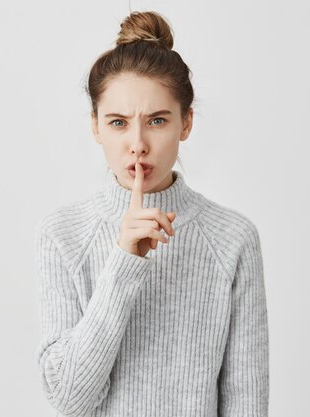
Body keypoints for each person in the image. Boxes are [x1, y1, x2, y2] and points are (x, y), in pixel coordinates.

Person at [34, 10, 269, 417]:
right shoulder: (63, 235)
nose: (138, 144)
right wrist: (124, 262)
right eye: (118, 122)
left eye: (157, 120)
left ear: (186, 123)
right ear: (95, 127)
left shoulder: (233, 238)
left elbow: (247, 402)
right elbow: (68, 400)